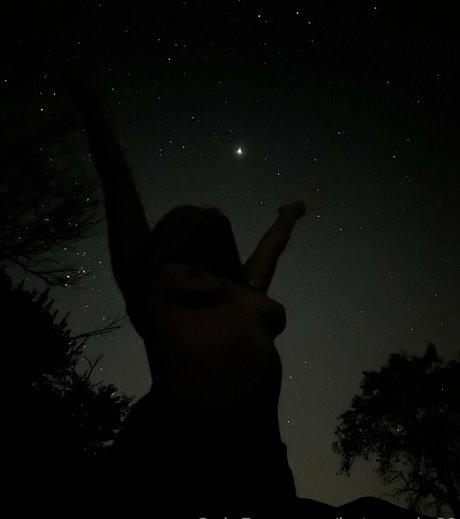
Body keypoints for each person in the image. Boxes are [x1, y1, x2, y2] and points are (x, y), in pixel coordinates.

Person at [69, 79, 312, 518]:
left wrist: (288, 215)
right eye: (200, 226)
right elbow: (118, 186)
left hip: (261, 459)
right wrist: (94, 111)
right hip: (176, 444)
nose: (214, 227)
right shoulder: (151, 275)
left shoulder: (243, 288)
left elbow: (268, 250)